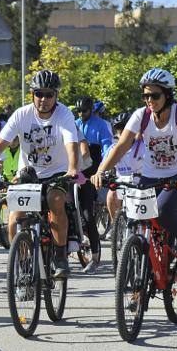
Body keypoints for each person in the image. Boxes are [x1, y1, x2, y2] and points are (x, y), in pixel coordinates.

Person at [91, 67, 177, 267]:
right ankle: (142, 271)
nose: (149, 100)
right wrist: (101, 170)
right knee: (138, 217)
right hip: (150, 177)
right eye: (145, 95)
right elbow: (122, 145)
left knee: (163, 209)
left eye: (154, 95)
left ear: (168, 95)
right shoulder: (141, 115)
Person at [0, 69, 81, 278]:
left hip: (57, 173)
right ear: (32, 94)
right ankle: (23, 265)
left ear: (56, 96)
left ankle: (60, 256)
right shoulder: (21, 114)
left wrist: (72, 169)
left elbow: (72, 143)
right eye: (38, 93)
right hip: (28, 174)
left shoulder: (64, 114)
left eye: (49, 94)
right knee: (15, 218)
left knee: (56, 199)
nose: (43, 99)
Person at [74, 96, 114, 272]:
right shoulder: (74, 123)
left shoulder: (101, 125)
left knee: (87, 214)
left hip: (92, 172)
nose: (82, 114)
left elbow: (107, 147)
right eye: (79, 111)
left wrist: (103, 170)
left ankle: (96, 256)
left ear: (91, 110)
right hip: (76, 169)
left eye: (85, 111)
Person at [106, 111, 142, 220]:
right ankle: (116, 228)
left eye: (124, 128)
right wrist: (100, 175)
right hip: (122, 183)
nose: (121, 132)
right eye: (118, 129)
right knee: (111, 195)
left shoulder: (143, 145)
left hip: (142, 184)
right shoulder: (113, 148)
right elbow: (104, 165)